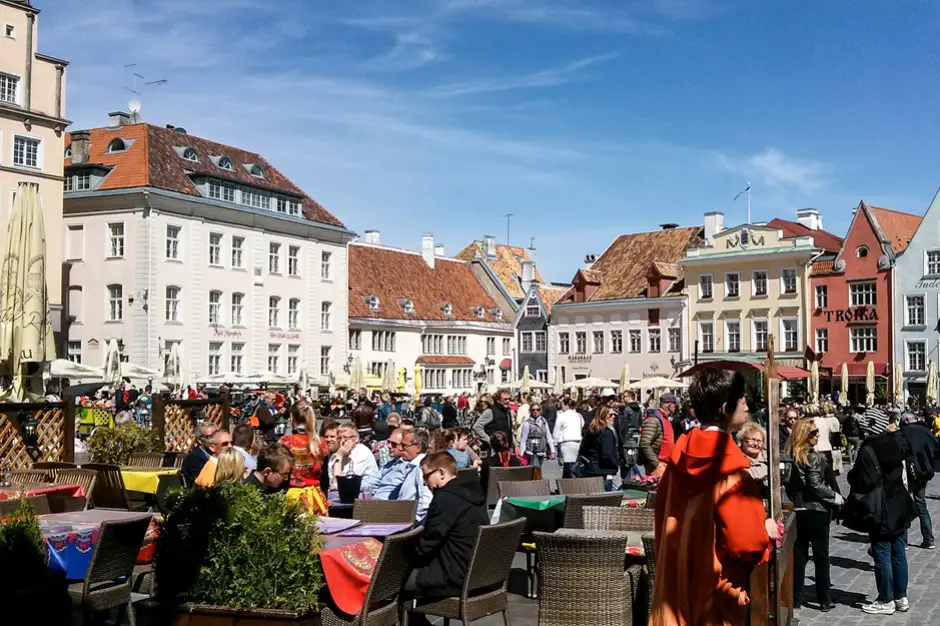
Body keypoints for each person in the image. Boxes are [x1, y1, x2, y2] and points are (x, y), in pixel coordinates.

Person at [651, 370, 773, 626]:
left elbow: (661, 516)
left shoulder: (678, 456)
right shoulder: (730, 468)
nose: (748, 407)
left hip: (675, 585)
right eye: (743, 401)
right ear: (726, 408)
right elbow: (748, 542)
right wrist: (765, 532)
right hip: (714, 593)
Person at [404, 451, 488, 624]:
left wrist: (400, 555)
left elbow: (428, 544)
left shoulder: (445, 498)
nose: (425, 483)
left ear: (441, 473)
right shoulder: (472, 493)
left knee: (390, 582)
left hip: (451, 575)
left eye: (426, 476)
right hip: (476, 573)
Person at [844, 422, 915, 615]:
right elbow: (906, 445)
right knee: (899, 553)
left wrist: (852, 476)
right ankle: (901, 596)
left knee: (882, 553)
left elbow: (865, 480)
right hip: (899, 503)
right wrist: (896, 433)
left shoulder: (868, 450)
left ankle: (886, 598)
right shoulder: (897, 444)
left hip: (880, 507)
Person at [785, 419, 842, 612]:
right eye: (813, 433)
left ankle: (795, 599)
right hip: (817, 511)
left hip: (799, 510)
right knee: (821, 556)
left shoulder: (791, 455)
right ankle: (824, 598)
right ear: (804, 436)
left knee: (799, 557)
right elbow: (816, 485)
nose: (817, 435)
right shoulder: (813, 457)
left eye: (817, 432)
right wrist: (836, 497)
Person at [900, 412, 937, 549]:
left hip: (908, 473)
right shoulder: (926, 431)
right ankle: (929, 539)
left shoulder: (903, 432)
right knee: (921, 504)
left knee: (903, 506)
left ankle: (903, 541)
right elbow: (935, 447)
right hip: (924, 472)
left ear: (906, 421)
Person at [280, 402, 327, 490]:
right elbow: (325, 478)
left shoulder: (286, 442)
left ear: (292, 417)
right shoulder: (321, 443)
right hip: (315, 495)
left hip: (292, 494)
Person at [577, 405, 620, 490]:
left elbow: (582, 449)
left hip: (591, 469)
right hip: (604, 471)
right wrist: (615, 465)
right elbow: (607, 454)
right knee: (606, 498)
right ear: (603, 416)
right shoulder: (607, 433)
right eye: (611, 415)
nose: (614, 417)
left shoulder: (591, 429)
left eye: (614, 414)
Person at [363, 428, 413, 498]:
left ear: (403, 446)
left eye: (394, 444)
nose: (389, 446)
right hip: (375, 502)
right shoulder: (389, 465)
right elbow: (369, 483)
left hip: (389, 505)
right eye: (388, 442)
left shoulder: (409, 466)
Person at [398, 429, 434, 522]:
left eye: (404, 445)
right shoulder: (413, 466)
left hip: (408, 524)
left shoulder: (421, 467)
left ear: (418, 448)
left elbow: (426, 500)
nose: (400, 449)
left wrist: (413, 520)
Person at [328, 423, 379, 488]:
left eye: (346, 438)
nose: (342, 441)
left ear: (356, 439)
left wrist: (340, 457)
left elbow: (341, 483)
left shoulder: (362, 452)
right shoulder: (336, 455)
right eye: (339, 438)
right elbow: (332, 482)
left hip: (363, 492)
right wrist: (339, 456)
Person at [639, 392, 677, 478]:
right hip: (658, 466)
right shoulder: (653, 420)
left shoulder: (664, 419)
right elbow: (644, 443)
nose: (676, 408)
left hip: (666, 464)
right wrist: (656, 463)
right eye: (675, 405)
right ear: (670, 406)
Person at [552, 396, 584, 478]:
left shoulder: (562, 416)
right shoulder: (578, 415)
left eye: (562, 404)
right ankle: (569, 480)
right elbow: (582, 425)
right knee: (574, 463)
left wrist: (554, 443)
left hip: (566, 443)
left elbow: (556, 430)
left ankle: (567, 482)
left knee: (567, 465)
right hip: (577, 442)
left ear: (566, 405)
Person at [518, 403, 557, 468]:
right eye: (533, 410)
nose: (535, 411)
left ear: (540, 410)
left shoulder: (544, 421)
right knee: (536, 470)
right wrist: (522, 455)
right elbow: (523, 440)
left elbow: (548, 436)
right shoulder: (527, 423)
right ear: (530, 411)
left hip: (541, 451)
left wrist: (553, 451)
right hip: (531, 452)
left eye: (537, 409)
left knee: (538, 469)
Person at [616, 390, 644, 479]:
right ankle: (636, 475)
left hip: (626, 433)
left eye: (625, 396)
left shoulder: (626, 408)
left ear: (630, 397)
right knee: (633, 455)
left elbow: (622, 422)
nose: (623, 398)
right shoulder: (638, 408)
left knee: (626, 457)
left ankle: (632, 476)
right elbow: (641, 421)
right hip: (635, 433)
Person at [738, 422, 770, 498]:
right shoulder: (736, 459)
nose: (755, 444)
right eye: (752, 440)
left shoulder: (770, 460)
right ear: (742, 440)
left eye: (759, 441)